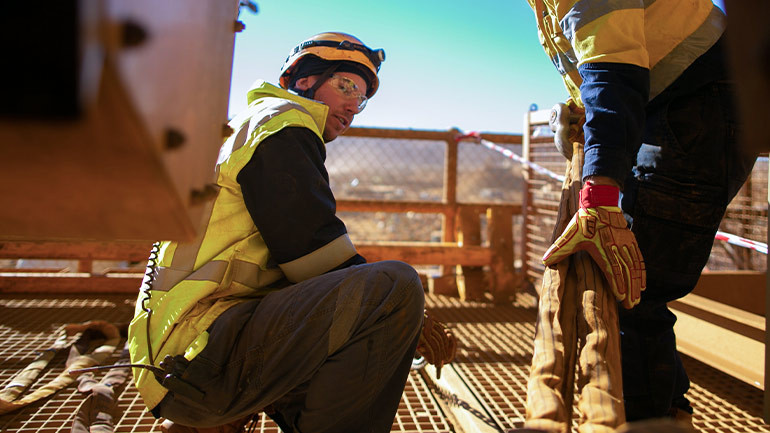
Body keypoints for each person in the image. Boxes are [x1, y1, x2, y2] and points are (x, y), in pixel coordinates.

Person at [127, 32, 456, 433]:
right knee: (393, 287)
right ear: (303, 80)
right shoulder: (281, 125)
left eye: (363, 98)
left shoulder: (251, 126)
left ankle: (220, 421)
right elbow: (315, 255)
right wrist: (412, 315)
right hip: (198, 360)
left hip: (187, 354)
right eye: (346, 85)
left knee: (349, 306)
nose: (354, 105)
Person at [526, 0, 757, 425]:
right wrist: (582, 111)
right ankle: (667, 413)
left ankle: (652, 420)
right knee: (634, 280)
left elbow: (615, 71)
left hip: (698, 101)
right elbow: (606, 54)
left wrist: (598, 198)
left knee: (631, 286)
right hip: (685, 99)